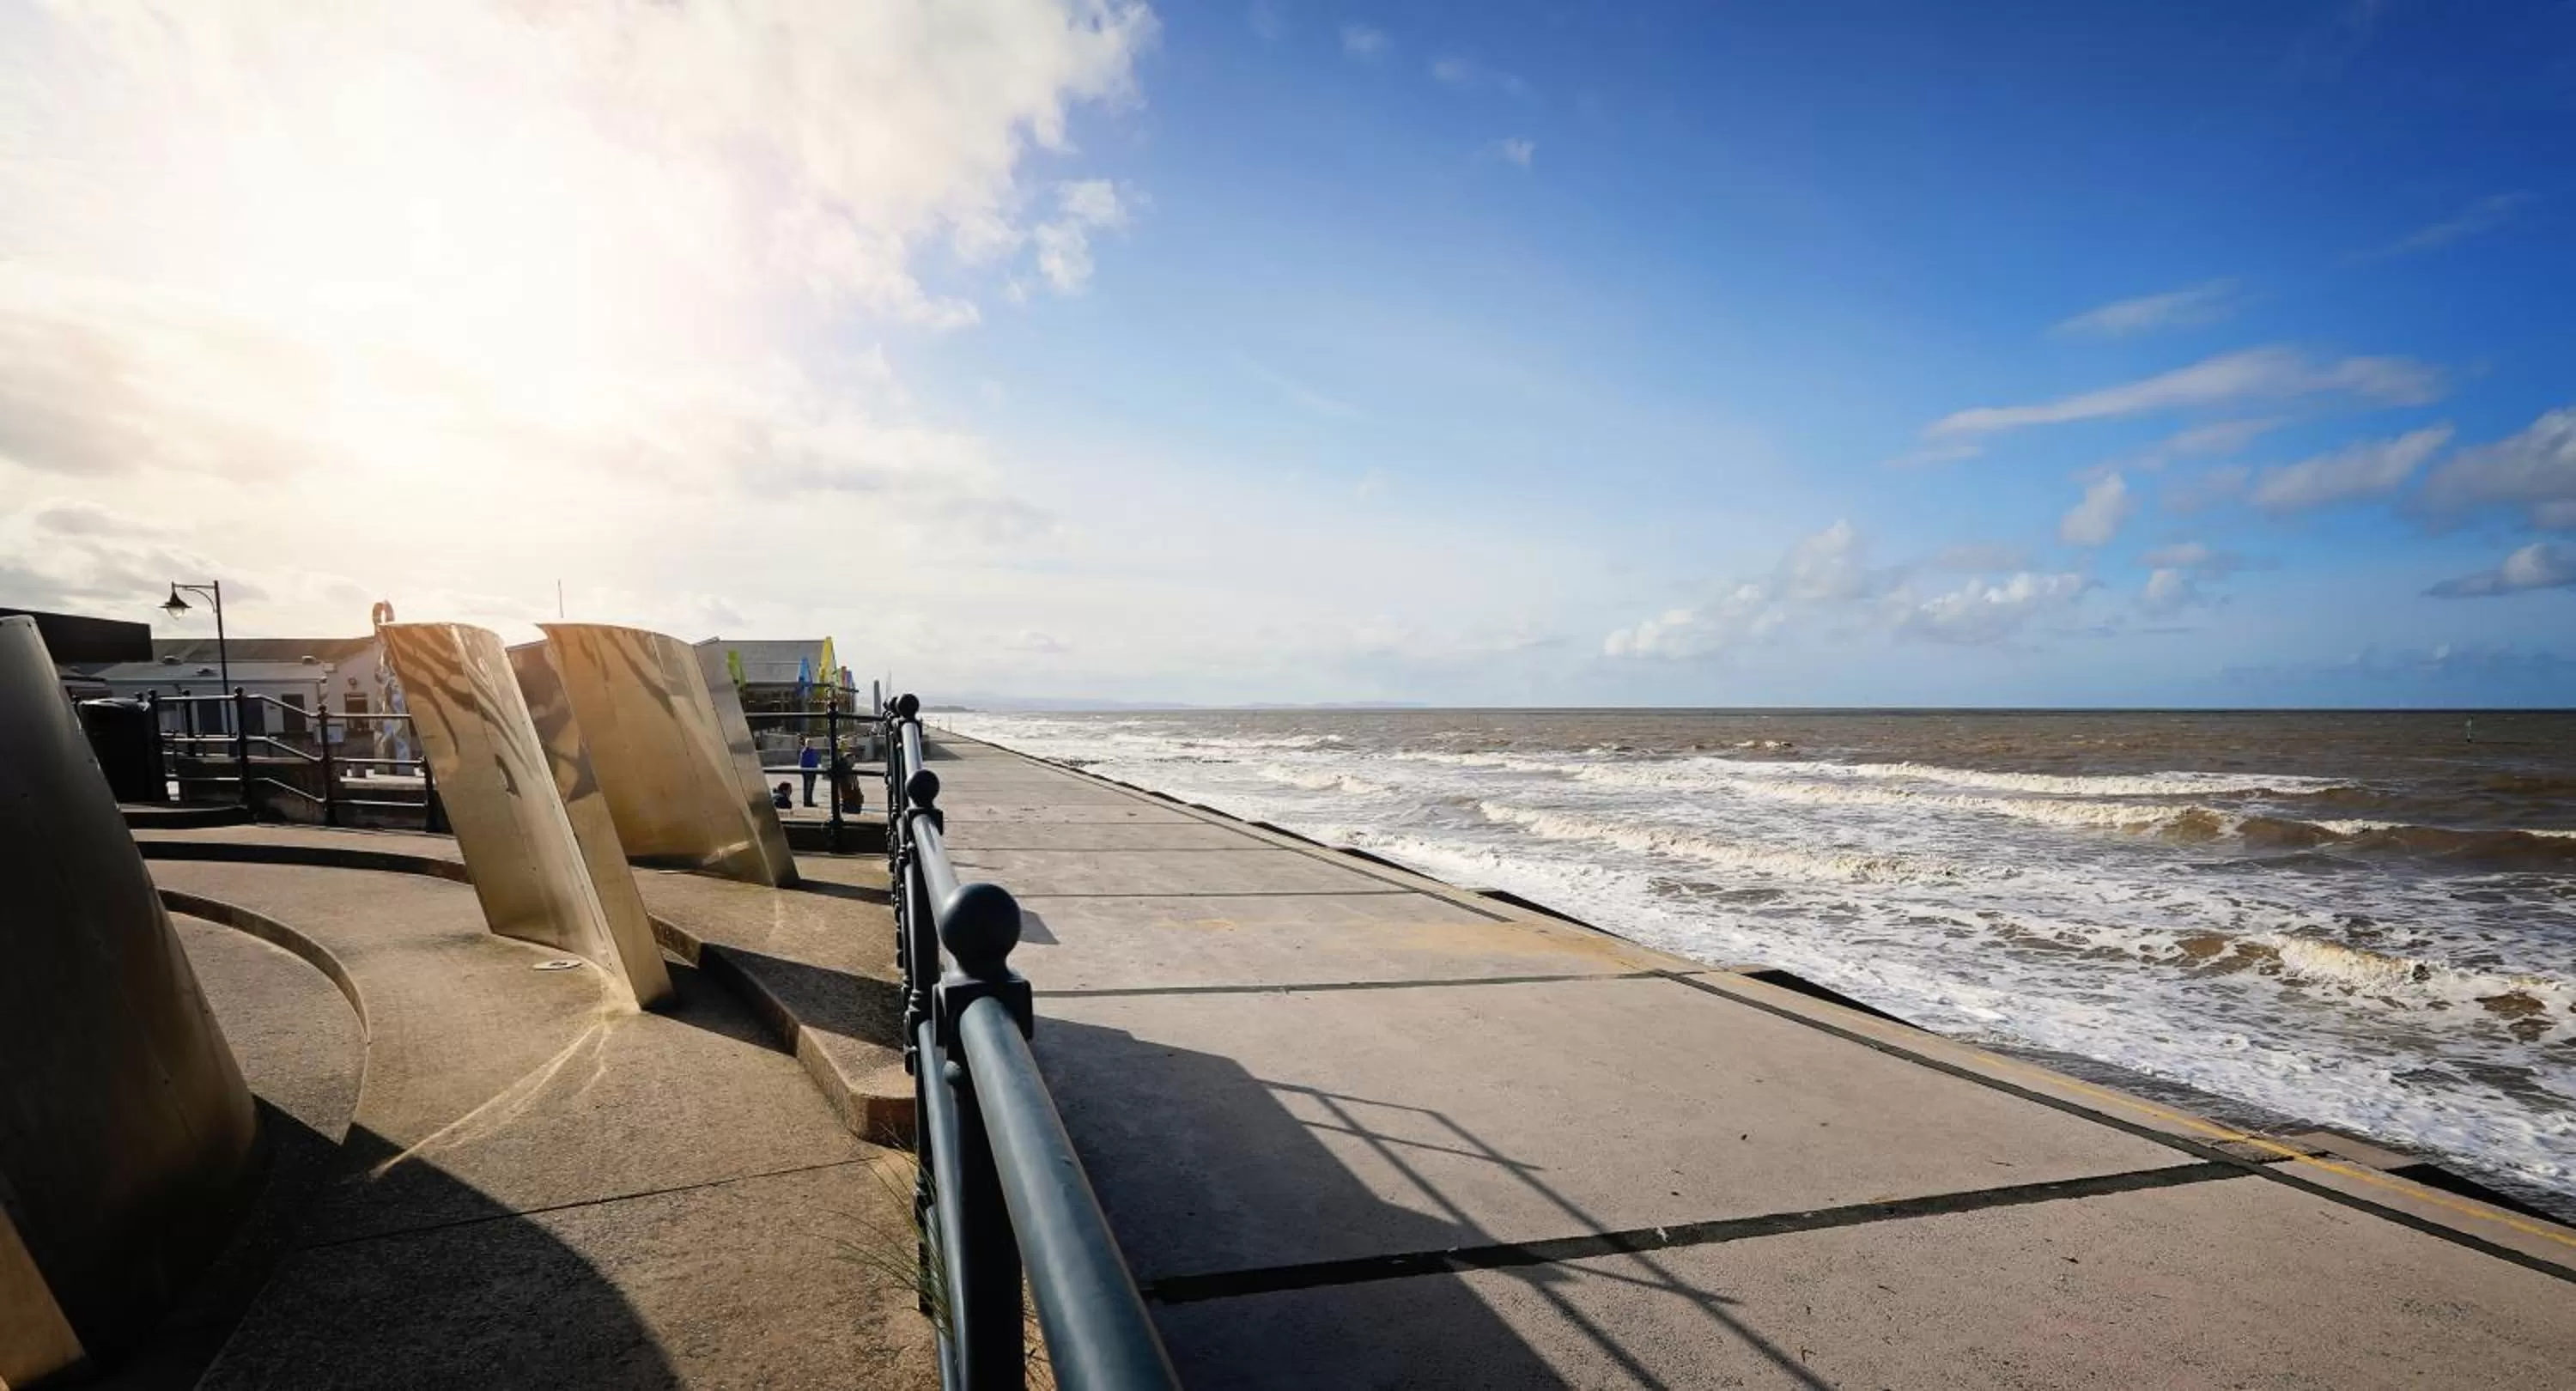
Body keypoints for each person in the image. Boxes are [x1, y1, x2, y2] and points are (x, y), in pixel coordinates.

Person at [799, 740, 821, 806]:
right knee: (808, 787)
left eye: (811, 743)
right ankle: (807, 802)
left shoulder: (813, 751)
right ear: (806, 744)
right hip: (808, 772)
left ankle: (809, 801)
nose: (810, 744)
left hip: (813, 771)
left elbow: (815, 760)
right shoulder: (805, 752)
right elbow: (803, 762)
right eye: (809, 743)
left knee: (811, 787)